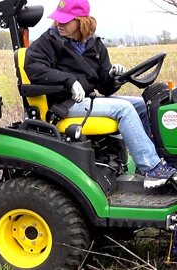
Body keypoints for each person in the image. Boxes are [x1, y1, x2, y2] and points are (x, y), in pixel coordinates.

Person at [24, 0, 176, 188]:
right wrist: (68, 81)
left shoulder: (94, 45)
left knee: (140, 105)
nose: (60, 23)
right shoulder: (48, 41)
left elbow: (105, 88)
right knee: (125, 109)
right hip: (64, 103)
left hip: (87, 99)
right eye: (58, 19)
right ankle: (152, 168)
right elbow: (34, 68)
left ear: (81, 22)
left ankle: (147, 160)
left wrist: (112, 76)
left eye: (66, 20)